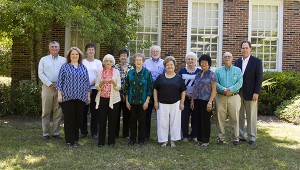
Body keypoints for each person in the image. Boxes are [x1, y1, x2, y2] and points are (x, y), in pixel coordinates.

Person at [57, 47, 90, 149]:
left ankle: (75, 140)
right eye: (72, 54)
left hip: (80, 97)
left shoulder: (83, 67)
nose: (75, 56)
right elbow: (60, 82)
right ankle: (69, 141)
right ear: (69, 56)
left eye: (76, 54)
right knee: (69, 119)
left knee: (78, 119)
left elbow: (87, 83)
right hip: (67, 97)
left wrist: (88, 96)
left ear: (79, 56)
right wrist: (59, 95)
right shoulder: (64, 67)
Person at [154, 56, 186, 147]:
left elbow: (183, 90)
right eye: (167, 65)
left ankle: (173, 140)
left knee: (175, 122)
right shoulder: (160, 77)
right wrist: (156, 102)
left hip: (175, 103)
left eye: (171, 64)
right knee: (162, 123)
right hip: (162, 103)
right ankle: (163, 140)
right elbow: (155, 89)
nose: (170, 66)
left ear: (174, 66)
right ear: (165, 66)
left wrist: (182, 103)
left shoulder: (179, 78)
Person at [235, 40, 263, 145]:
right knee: (240, 115)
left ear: (250, 49)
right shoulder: (237, 62)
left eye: (247, 48)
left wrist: (256, 92)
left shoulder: (257, 61)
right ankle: (241, 135)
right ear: (240, 49)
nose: (245, 50)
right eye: (243, 48)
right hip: (238, 93)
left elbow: (259, 78)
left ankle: (252, 137)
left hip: (251, 93)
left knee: (251, 115)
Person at [38, 41, 66, 140]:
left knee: (58, 111)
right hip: (47, 87)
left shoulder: (64, 60)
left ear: (59, 48)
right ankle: (45, 133)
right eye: (52, 47)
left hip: (60, 88)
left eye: (56, 47)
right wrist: (50, 83)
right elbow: (40, 73)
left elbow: (66, 73)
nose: (54, 48)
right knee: (46, 111)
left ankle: (56, 133)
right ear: (49, 48)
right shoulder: (44, 59)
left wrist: (59, 84)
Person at [215, 52, 243, 146]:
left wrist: (230, 90)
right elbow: (216, 83)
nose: (227, 58)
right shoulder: (218, 71)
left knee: (235, 118)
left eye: (229, 57)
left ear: (232, 59)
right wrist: (223, 89)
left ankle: (235, 138)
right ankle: (220, 138)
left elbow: (240, 83)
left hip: (234, 96)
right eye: (225, 57)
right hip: (220, 96)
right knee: (220, 118)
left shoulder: (238, 70)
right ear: (223, 59)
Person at [125, 53, 153, 146]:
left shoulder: (147, 73)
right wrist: (127, 101)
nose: (138, 62)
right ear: (134, 61)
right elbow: (126, 88)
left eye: (140, 60)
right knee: (132, 121)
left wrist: (147, 101)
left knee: (142, 121)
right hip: (132, 101)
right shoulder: (130, 73)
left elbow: (150, 87)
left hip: (143, 101)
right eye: (136, 60)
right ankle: (132, 139)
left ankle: (141, 140)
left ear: (143, 62)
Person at [95, 54, 121, 147]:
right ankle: (101, 142)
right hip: (102, 99)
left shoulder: (116, 72)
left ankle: (111, 141)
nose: (108, 63)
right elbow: (97, 87)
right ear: (104, 62)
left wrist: (113, 82)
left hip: (113, 100)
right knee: (102, 120)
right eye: (106, 61)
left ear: (113, 63)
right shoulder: (100, 71)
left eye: (110, 61)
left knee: (112, 120)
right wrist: (102, 83)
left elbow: (119, 87)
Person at [191, 54, 216, 147]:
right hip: (197, 100)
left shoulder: (212, 74)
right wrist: (192, 101)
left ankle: (205, 140)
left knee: (205, 120)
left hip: (206, 101)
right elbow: (195, 88)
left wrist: (210, 102)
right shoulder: (198, 74)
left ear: (209, 64)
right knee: (198, 120)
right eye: (202, 62)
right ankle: (199, 140)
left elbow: (214, 90)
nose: (203, 64)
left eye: (205, 62)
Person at [80, 43, 103, 140]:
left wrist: (92, 83)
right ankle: (83, 131)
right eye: (89, 49)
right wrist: (86, 85)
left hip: (94, 90)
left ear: (94, 51)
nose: (90, 51)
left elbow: (100, 75)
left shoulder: (98, 62)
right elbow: (79, 74)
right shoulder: (82, 61)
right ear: (86, 51)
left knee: (94, 112)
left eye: (92, 49)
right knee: (83, 112)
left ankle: (94, 132)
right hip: (83, 90)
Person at [143, 45, 165, 141]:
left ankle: (161, 136)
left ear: (159, 53)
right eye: (153, 51)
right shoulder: (146, 62)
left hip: (160, 91)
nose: (155, 53)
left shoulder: (164, 63)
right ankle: (146, 135)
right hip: (148, 90)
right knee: (146, 114)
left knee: (160, 114)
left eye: (157, 51)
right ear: (151, 52)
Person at [179, 52, 201, 142]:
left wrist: (193, 95)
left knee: (195, 116)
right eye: (188, 59)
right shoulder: (182, 71)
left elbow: (200, 85)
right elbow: (180, 85)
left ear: (195, 61)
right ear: (186, 60)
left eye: (192, 59)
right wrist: (186, 94)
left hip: (196, 98)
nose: (190, 60)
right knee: (184, 117)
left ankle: (194, 135)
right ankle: (185, 135)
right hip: (184, 97)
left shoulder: (199, 71)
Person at [114, 49, 134, 139]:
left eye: (125, 55)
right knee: (116, 114)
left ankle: (126, 134)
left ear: (127, 57)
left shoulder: (131, 68)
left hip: (128, 95)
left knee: (127, 114)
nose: (123, 57)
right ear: (119, 57)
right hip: (117, 93)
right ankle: (115, 133)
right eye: (122, 55)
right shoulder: (115, 67)